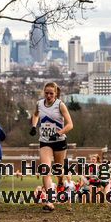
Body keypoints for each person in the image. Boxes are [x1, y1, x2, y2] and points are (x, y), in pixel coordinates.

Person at [29, 82, 74, 211]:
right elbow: (36, 115)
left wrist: (59, 133)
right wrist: (33, 126)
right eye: (46, 93)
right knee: (45, 170)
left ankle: (60, 181)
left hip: (59, 141)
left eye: (51, 93)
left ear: (55, 94)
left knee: (58, 170)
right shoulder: (39, 104)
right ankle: (49, 201)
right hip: (45, 142)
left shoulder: (60, 105)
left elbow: (70, 124)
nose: (48, 96)